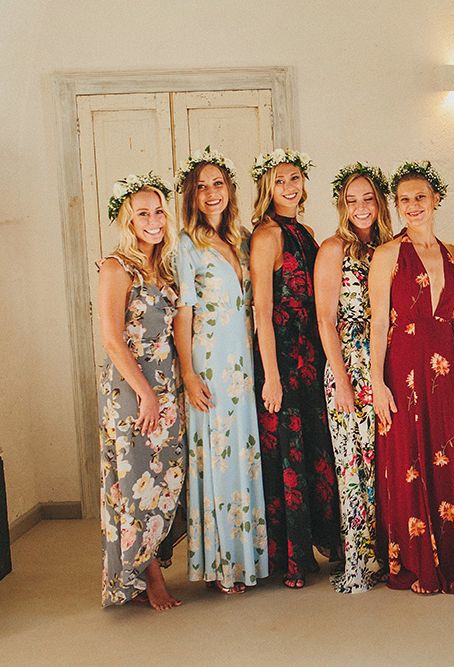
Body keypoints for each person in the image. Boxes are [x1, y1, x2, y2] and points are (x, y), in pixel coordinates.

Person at [369, 160, 454, 594]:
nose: (412, 206)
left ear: (436, 201)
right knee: (407, 457)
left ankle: (450, 559)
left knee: (446, 453)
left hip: (444, 367)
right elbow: (377, 322)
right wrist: (377, 382)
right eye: (404, 199)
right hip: (404, 366)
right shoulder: (388, 253)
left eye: (420, 198)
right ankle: (413, 563)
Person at [173, 147, 268, 594]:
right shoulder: (187, 244)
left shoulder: (244, 238)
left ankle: (249, 557)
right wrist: (189, 376)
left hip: (244, 363)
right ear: (192, 196)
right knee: (217, 458)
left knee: (244, 455)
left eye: (218, 184)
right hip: (210, 363)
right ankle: (222, 564)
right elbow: (184, 313)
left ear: (230, 190)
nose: (212, 193)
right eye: (202, 186)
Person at [249, 148, 341, 588]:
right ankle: (291, 559)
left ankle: (321, 546)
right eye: (280, 179)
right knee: (287, 451)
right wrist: (270, 374)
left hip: (310, 354)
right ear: (268, 187)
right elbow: (261, 311)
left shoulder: (304, 232)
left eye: (295, 178)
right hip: (282, 357)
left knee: (313, 445)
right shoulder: (266, 235)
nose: (289, 186)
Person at [99, 173, 185, 610]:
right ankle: (148, 578)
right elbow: (112, 339)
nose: (153, 220)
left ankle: (151, 561)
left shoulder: (165, 266)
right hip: (132, 389)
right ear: (127, 220)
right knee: (135, 482)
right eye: (142, 214)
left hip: (168, 386)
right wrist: (146, 394)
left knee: (166, 480)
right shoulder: (117, 267)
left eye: (158, 212)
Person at [314, 163, 393, 593]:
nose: (360, 207)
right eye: (352, 200)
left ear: (379, 202)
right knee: (353, 466)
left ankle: (390, 553)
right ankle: (360, 560)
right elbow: (325, 321)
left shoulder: (391, 246)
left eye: (368, 199)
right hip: (348, 363)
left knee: (385, 461)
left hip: (387, 364)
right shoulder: (333, 249)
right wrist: (342, 381)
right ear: (343, 207)